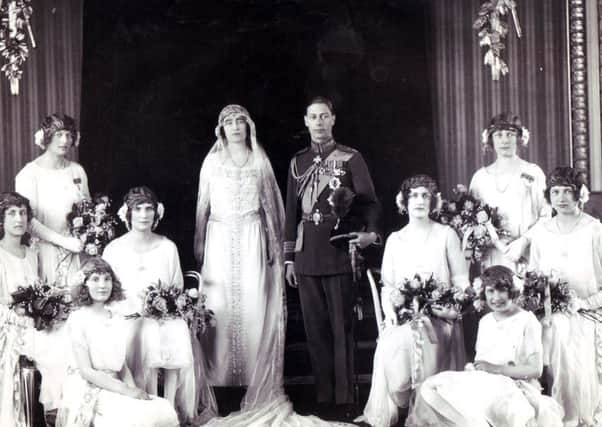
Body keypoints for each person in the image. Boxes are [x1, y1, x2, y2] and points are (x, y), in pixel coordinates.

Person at [284, 96, 381, 411]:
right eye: (313, 117)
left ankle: (345, 400)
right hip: (307, 254)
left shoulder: (351, 158)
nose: (319, 122)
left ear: (333, 120)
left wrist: (369, 234)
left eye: (324, 116)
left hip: (339, 249)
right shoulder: (297, 162)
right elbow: (290, 213)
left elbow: (369, 202)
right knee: (316, 332)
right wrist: (289, 258)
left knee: (342, 330)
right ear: (306, 121)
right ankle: (325, 399)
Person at [356, 174, 469, 427]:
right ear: (404, 201)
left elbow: (462, 281)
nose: (419, 200)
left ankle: (428, 410)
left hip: (440, 317)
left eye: (425, 195)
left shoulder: (446, 234)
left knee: (419, 338)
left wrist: (450, 307)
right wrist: (390, 312)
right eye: (413, 195)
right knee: (394, 348)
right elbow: (388, 287)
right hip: (405, 318)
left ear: (433, 201)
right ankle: (407, 402)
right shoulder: (396, 240)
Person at [406, 265, 563, 427]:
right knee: (431, 387)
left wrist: (496, 369)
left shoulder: (527, 320)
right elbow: (482, 362)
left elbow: (535, 369)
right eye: (490, 291)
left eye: (502, 290)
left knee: (493, 407)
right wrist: (479, 369)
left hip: (515, 385)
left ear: (513, 291)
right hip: (485, 382)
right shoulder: (485, 321)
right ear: (484, 293)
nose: (496, 297)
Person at [103, 186, 200, 422]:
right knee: (138, 332)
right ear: (128, 213)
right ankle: (142, 405)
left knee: (172, 330)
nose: (144, 215)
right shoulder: (114, 249)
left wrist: (161, 308)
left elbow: (175, 289)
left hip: (159, 318)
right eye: (138, 209)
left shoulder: (168, 248)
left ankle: (170, 408)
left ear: (157, 213)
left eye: (149, 209)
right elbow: (104, 293)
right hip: (123, 316)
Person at [55, 257, 179, 427]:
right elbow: (86, 371)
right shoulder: (78, 319)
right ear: (85, 285)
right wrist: (127, 391)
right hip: (88, 386)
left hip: (115, 384)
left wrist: (134, 392)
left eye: (107, 279)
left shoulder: (117, 316)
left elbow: (122, 366)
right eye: (95, 279)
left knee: (163, 408)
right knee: (135, 419)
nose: (102, 285)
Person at [526, 166, 602, 426]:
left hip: (589, 312)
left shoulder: (594, 230)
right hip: (550, 313)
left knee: (572, 340)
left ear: (579, 194)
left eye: (568, 191)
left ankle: (582, 417)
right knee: (555, 331)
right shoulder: (541, 232)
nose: (561, 198)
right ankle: (559, 416)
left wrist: (582, 304)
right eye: (555, 191)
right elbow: (533, 276)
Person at [15, 113, 90, 287]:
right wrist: (64, 242)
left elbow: (87, 210)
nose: (64, 140)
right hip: (44, 252)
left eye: (69, 135)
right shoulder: (29, 174)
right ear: (46, 137)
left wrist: (84, 238)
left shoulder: (77, 171)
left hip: (76, 251)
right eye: (59, 135)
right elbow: (28, 221)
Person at [469, 112, 548, 270]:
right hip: (491, 257)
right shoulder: (480, 178)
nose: (504, 140)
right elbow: (472, 221)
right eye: (498, 135)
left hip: (525, 254)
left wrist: (523, 241)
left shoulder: (533, 172)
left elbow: (546, 216)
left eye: (510, 134)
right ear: (490, 139)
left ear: (519, 138)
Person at [0, 192, 38, 427]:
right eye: (12, 213)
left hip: (32, 325)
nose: (18, 219)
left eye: (23, 213)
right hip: (6, 324)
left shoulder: (32, 254)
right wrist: (20, 318)